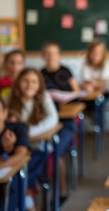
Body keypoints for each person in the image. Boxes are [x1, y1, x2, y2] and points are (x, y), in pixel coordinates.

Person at [8, 68, 59, 210]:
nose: (29, 85)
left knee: (23, 176)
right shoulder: (10, 98)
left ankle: (26, 204)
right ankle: (28, 203)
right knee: (13, 174)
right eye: (25, 81)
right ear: (18, 83)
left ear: (39, 84)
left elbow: (53, 119)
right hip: (15, 148)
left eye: (34, 82)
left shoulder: (44, 97)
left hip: (38, 149)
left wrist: (26, 132)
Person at [40, 41, 78, 202]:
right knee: (39, 153)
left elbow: (77, 92)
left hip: (66, 120)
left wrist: (64, 99)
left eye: (54, 53)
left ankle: (60, 194)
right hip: (46, 120)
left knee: (56, 153)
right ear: (43, 56)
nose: (51, 57)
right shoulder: (40, 74)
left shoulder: (66, 71)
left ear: (59, 55)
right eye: (48, 53)